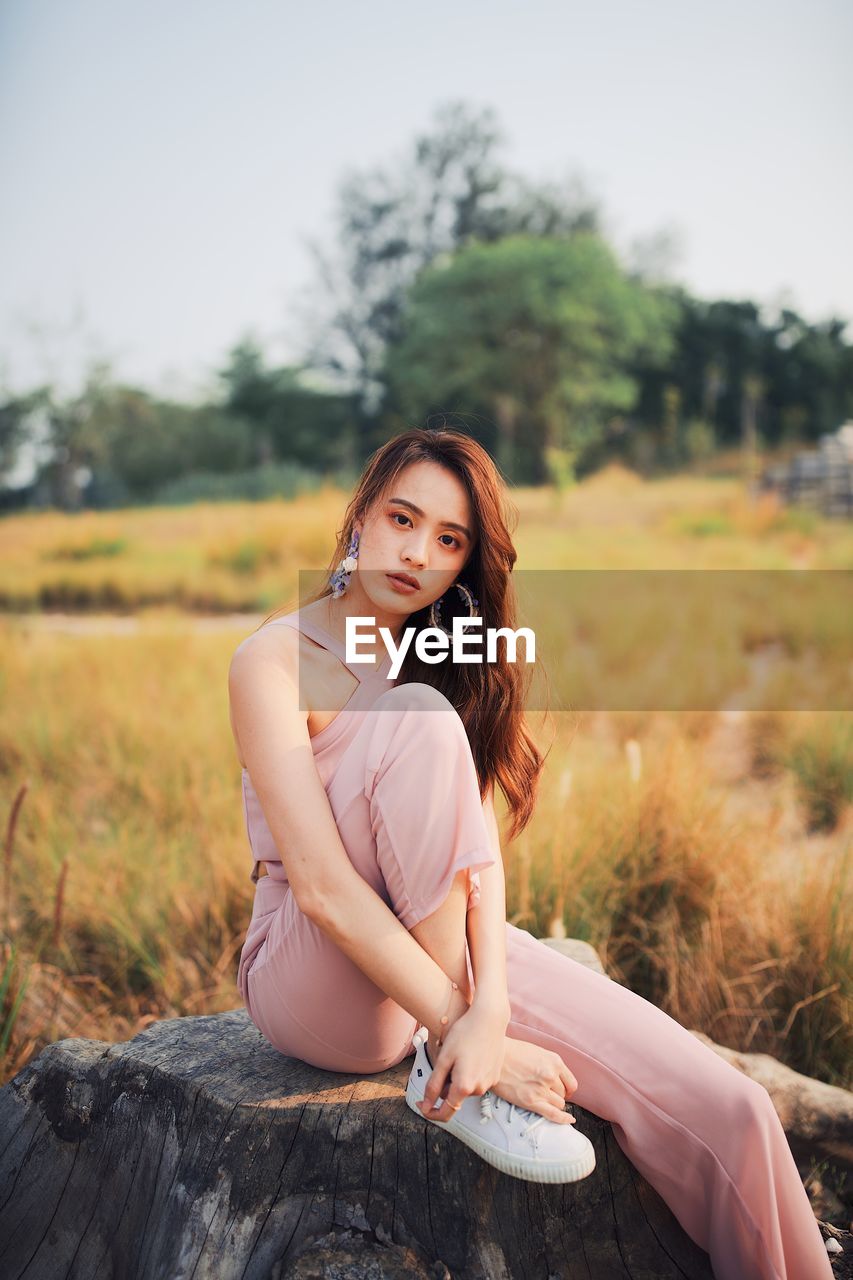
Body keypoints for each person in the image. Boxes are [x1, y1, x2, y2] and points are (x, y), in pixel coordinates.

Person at [228, 426, 832, 1280]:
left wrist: (495, 1010)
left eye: (449, 541)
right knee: (419, 718)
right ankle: (456, 1071)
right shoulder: (272, 661)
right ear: (359, 515)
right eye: (401, 519)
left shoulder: (441, 654)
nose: (416, 553)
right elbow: (324, 889)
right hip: (311, 970)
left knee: (727, 1109)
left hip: (437, 953)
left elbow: (476, 870)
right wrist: (466, 1033)